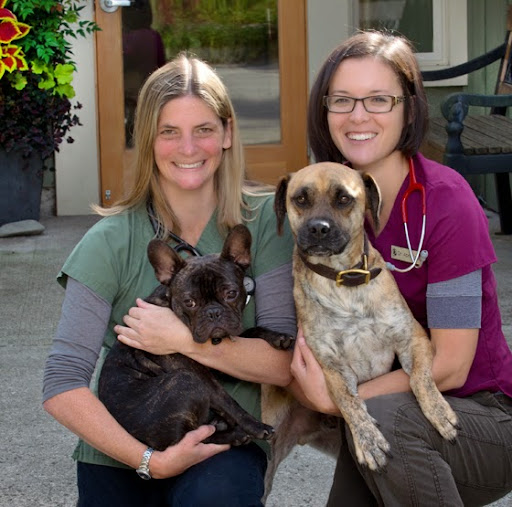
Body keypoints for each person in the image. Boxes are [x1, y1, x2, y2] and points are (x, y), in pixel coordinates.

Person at [42, 54, 296, 507]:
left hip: (220, 446)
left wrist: (182, 340)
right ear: (147, 140)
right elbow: (62, 382)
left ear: (227, 133)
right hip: (120, 448)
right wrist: (148, 461)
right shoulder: (111, 240)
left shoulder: (264, 225)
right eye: (169, 132)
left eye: (204, 129)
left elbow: (283, 365)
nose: (188, 148)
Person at [290, 31, 512, 506]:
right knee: (375, 430)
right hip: (394, 410)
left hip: (485, 417)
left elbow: (451, 366)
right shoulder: (324, 201)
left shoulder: (448, 204)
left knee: (384, 418)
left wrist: (338, 398)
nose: (358, 116)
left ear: (409, 110)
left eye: (379, 99)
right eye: (342, 100)